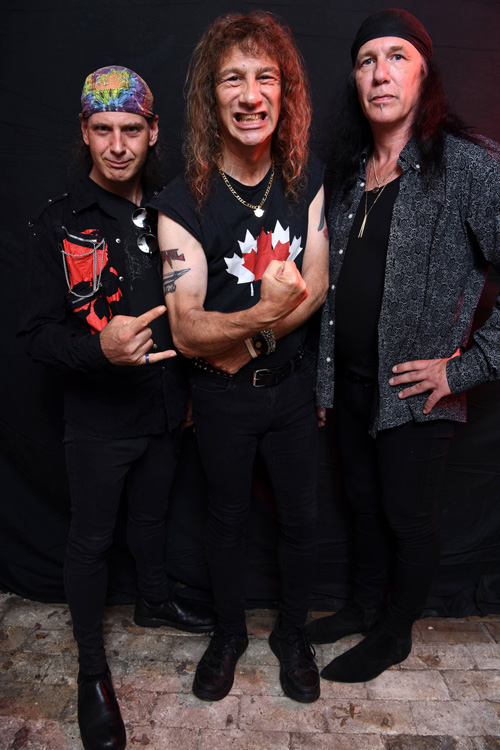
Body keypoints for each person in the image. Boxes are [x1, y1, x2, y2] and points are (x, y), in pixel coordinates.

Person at [19, 66, 215, 750]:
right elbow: (34, 336)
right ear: (85, 131)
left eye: (131, 129)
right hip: (98, 421)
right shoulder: (59, 222)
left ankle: (154, 601)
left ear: (153, 131)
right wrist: (97, 350)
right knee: (92, 539)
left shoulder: (173, 211)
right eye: (103, 129)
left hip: (165, 410)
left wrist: (189, 393)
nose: (118, 145)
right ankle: (92, 672)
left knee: (153, 515)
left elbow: (195, 310)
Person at [307, 9, 500, 683]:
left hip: (417, 394)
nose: (380, 73)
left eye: (396, 57)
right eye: (367, 60)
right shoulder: (349, 173)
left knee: (406, 518)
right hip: (350, 386)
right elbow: (333, 286)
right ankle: (363, 606)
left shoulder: (469, 165)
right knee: (361, 506)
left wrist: (466, 368)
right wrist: (327, 381)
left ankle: (393, 632)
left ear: (423, 73)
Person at [149, 11, 329, 704]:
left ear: (285, 93)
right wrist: (264, 311)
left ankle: (292, 634)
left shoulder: (306, 178)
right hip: (220, 398)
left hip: (290, 386)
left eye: (266, 77)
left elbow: (317, 286)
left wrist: (254, 338)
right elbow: (188, 330)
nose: (251, 95)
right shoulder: (180, 201)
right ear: (212, 95)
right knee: (225, 520)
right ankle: (229, 634)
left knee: (301, 519)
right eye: (233, 79)